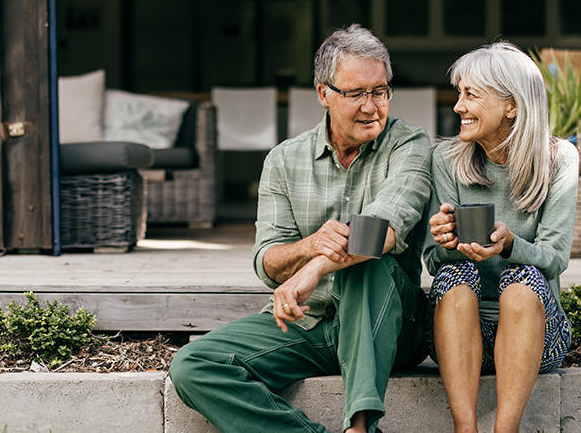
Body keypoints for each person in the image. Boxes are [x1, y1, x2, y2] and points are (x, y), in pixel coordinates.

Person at [170, 24, 432, 433]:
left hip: (390, 327)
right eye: (356, 93)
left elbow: (382, 228)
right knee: (193, 365)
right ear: (323, 93)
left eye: (380, 91)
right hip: (311, 325)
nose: (371, 106)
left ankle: (361, 426)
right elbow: (268, 262)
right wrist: (307, 247)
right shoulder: (283, 160)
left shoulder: (409, 145)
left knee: (366, 259)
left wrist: (313, 269)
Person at [422, 41, 577, 433]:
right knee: (452, 278)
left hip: (536, 338)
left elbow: (555, 258)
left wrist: (511, 245)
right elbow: (431, 261)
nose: (458, 106)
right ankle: (465, 428)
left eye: (470, 94)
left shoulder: (559, 159)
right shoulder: (445, 159)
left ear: (512, 105)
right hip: (460, 339)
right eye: (459, 93)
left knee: (522, 281)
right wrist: (443, 243)